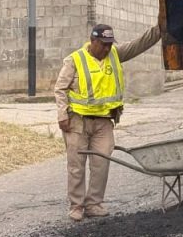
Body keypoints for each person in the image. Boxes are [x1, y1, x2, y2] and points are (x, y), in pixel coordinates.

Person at [54, 20, 161, 221]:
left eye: (110, 44)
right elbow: (60, 89)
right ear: (92, 41)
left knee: (101, 162)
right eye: (103, 44)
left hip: (104, 122)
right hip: (77, 121)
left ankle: (94, 204)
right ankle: (76, 206)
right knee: (76, 165)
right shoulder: (75, 60)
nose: (107, 48)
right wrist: (62, 114)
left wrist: (160, 29)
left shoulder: (115, 54)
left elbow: (138, 45)